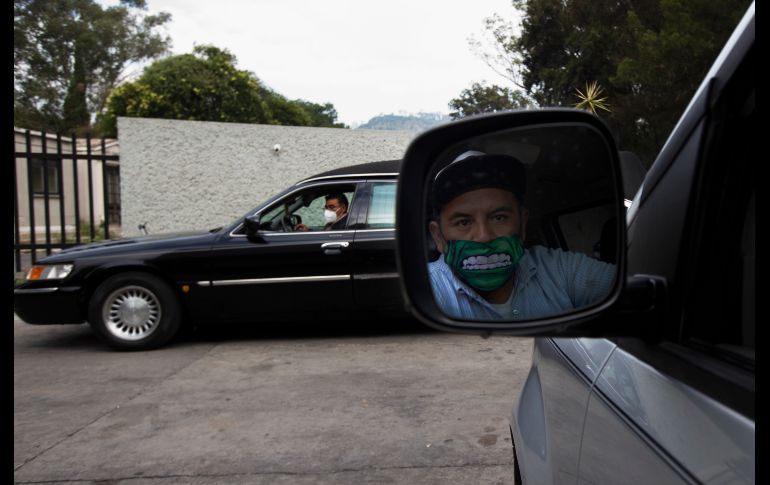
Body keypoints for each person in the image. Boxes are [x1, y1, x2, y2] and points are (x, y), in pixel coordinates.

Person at [428, 151, 616, 320]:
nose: (484, 236)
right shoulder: (429, 288)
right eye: (464, 222)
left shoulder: (558, 269)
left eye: (499, 218)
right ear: (438, 237)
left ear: (523, 224)